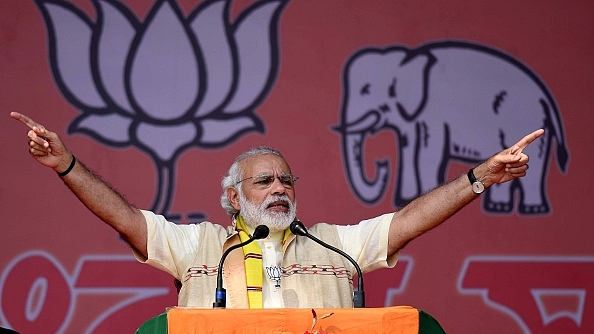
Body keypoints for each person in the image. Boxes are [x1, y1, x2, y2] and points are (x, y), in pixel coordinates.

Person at [10, 111, 544, 308]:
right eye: (263, 181)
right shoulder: (197, 246)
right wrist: (66, 164)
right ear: (232, 197)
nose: (279, 188)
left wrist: (479, 178)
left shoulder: (337, 245)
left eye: (287, 180)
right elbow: (123, 216)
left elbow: (409, 221)